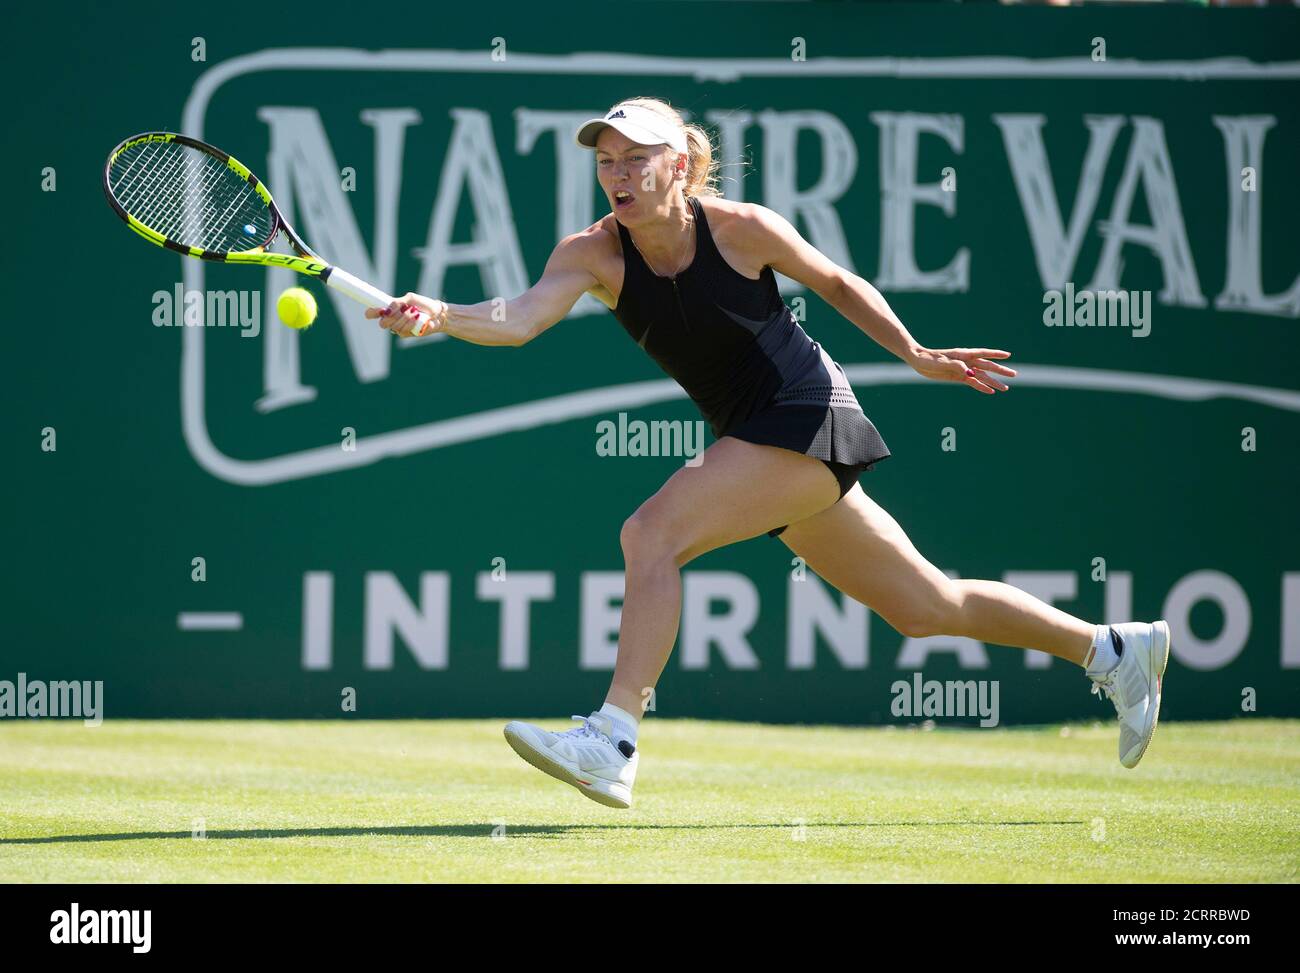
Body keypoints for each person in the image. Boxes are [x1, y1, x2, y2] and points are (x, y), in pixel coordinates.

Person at [367, 98, 1170, 809]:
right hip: (757, 436)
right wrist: (441, 312)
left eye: (637, 159)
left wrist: (916, 353)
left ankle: (613, 740)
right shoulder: (592, 254)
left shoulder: (741, 228)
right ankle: (1113, 649)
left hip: (806, 410)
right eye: (607, 161)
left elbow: (837, 283)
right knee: (925, 606)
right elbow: (517, 317)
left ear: (679, 165)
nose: (618, 173)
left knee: (650, 535)